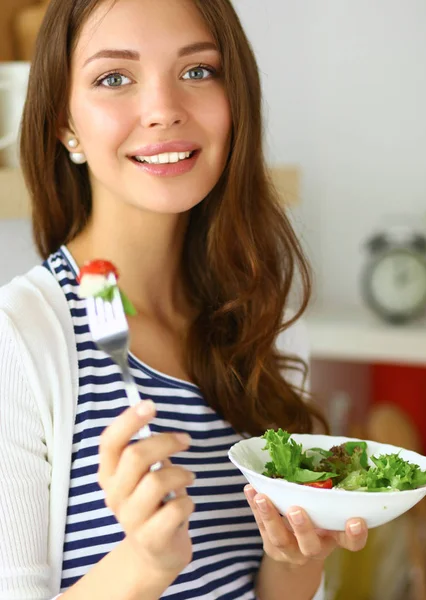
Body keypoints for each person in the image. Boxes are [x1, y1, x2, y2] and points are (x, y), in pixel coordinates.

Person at [0, 0, 368, 598]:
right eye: (114, 78)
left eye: (198, 71)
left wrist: (299, 558)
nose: (164, 111)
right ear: (64, 125)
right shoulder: (18, 340)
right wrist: (145, 563)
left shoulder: (263, 322)